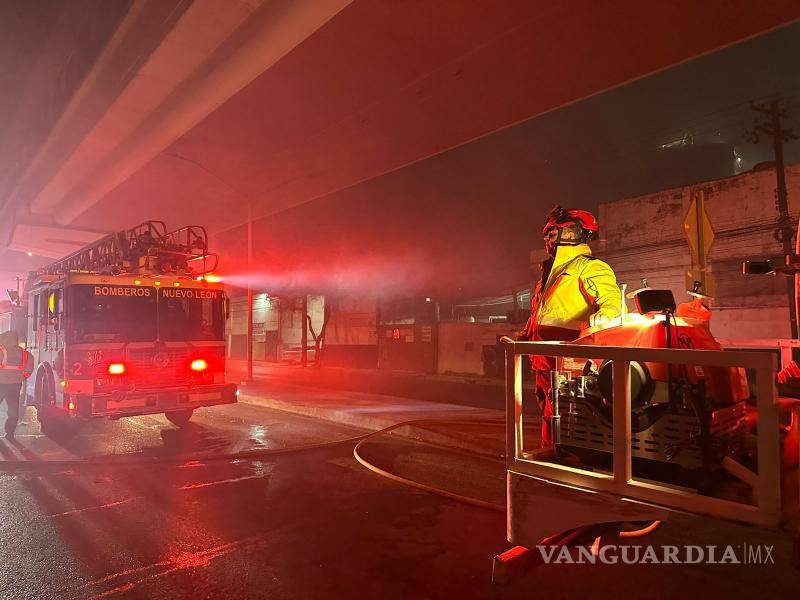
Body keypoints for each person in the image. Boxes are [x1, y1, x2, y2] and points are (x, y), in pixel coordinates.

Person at [518, 205, 621, 446]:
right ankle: (553, 456)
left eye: (552, 233)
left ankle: (562, 461)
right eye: (547, 235)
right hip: (543, 360)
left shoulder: (589, 266)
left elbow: (610, 299)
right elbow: (540, 313)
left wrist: (607, 313)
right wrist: (524, 335)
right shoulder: (551, 273)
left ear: (572, 233)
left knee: (563, 414)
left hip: (568, 362)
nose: (547, 239)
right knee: (548, 411)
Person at [0, 330, 32, 439]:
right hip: (15, 385)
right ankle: (10, 433)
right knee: (13, 409)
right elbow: (29, 367)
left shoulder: (1, 350)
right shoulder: (24, 353)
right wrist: (22, 377)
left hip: (1, 384)